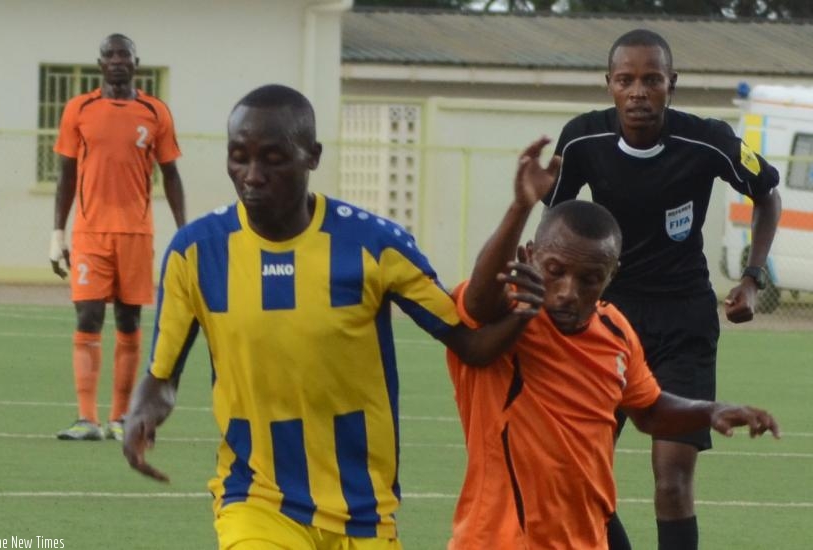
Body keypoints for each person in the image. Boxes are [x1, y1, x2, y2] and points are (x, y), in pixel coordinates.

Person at [122, 84, 539, 550]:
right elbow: (162, 377)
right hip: (256, 499)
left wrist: (526, 309)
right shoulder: (196, 253)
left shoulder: (374, 244)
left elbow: (471, 344)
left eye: (273, 158)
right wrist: (140, 416)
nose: (252, 175)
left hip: (364, 508)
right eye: (238, 156)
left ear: (312, 156)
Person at [447, 137, 781, 550]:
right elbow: (478, 301)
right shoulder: (509, 311)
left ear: (610, 276)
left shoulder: (615, 331)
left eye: (588, 279)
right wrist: (520, 208)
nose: (569, 291)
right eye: (555, 270)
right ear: (531, 256)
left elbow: (650, 409)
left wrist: (710, 410)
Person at [540, 29, 782, 550]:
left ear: (672, 83)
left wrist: (751, 278)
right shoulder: (581, 140)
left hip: (683, 321)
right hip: (605, 320)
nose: (638, 91)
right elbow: (556, 221)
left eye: (652, 79)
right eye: (626, 80)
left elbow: (767, 194)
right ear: (609, 85)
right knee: (578, 475)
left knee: (671, 482)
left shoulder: (708, 140)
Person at [49, 33, 186, 442]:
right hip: (90, 232)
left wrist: (185, 233)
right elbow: (66, 175)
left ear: (136, 62)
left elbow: (171, 175)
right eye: (109, 54)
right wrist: (57, 232)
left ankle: (120, 416)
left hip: (136, 233)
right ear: (100, 64)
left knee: (130, 320)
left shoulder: (155, 111)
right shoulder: (79, 109)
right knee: (88, 316)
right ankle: (87, 420)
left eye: (123, 53)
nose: (116, 60)